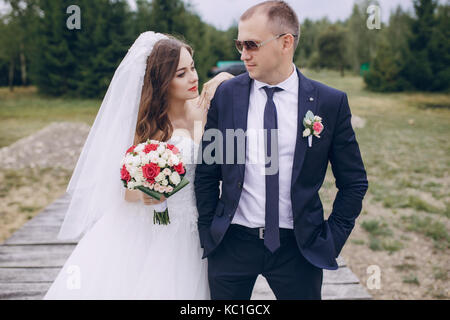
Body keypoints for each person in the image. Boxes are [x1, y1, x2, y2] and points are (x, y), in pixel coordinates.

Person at [194, 1, 368, 300]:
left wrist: (331, 239)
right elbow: (207, 172)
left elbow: (354, 182)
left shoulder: (329, 102)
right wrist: (210, 231)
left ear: (286, 42)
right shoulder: (227, 96)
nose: (243, 54)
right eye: (239, 44)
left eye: (252, 44)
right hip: (232, 244)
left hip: (298, 249)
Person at [43, 32, 233, 299]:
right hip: (160, 228)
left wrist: (223, 78)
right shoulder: (146, 128)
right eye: (181, 74)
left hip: (200, 224)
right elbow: (124, 189)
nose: (193, 77)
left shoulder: (205, 109)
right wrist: (149, 191)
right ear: (162, 81)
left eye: (193, 67)